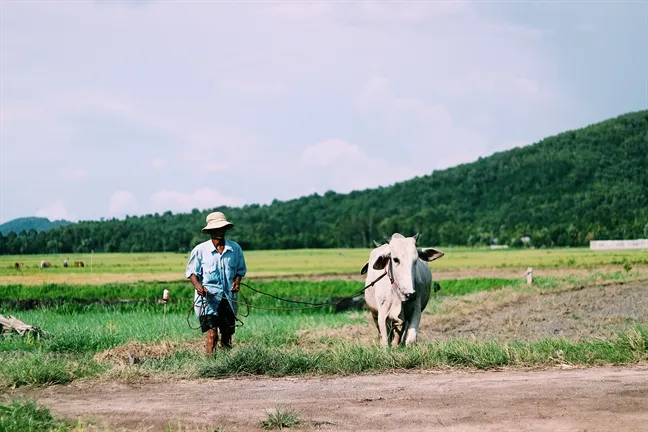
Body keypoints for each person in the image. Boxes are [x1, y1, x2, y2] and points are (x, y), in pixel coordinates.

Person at [185, 211, 247, 354]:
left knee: (227, 334)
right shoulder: (200, 250)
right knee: (212, 334)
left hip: (228, 298)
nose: (220, 231)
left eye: (222, 228)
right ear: (211, 231)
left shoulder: (234, 249)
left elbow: (240, 270)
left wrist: (237, 282)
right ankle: (210, 366)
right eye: (216, 229)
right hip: (208, 299)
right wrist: (198, 286)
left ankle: (226, 365)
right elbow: (192, 273)